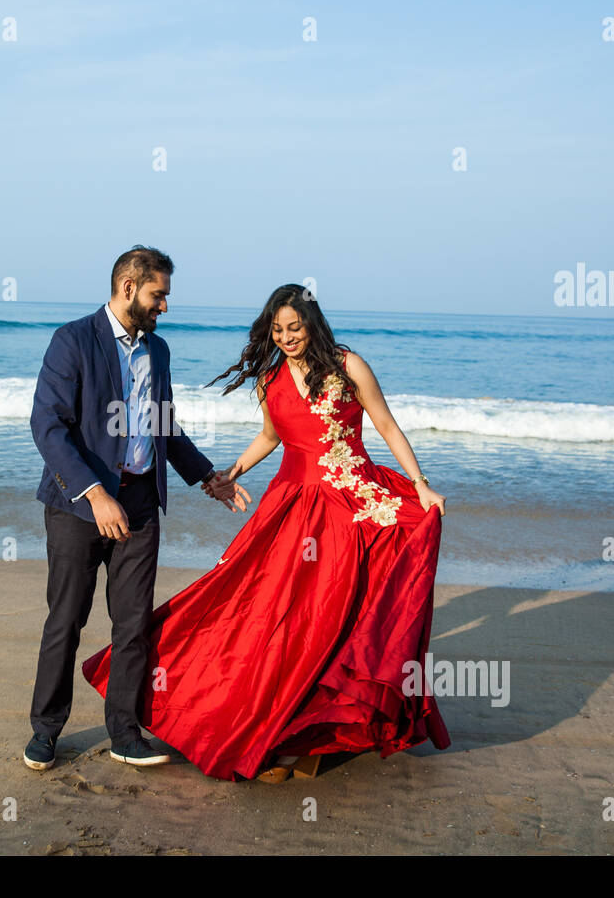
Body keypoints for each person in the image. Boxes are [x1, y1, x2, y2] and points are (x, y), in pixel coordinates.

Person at [81, 283, 450, 781]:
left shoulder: (350, 365)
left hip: (352, 504)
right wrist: (230, 473)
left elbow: (385, 424)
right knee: (266, 608)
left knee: (335, 612)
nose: (286, 337)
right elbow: (272, 437)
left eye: (294, 328)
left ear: (312, 323)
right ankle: (272, 725)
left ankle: (323, 726)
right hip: (291, 505)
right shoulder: (269, 375)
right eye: (277, 330)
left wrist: (420, 485)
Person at [25, 245, 248, 772]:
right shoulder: (72, 340)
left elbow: (165, 424)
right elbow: (48, 427)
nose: (164, 306)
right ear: (129, 287)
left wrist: (205, 477)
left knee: (132, 625)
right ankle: (46, 731)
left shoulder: (159, 351)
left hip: (142, 503)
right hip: (79, 508)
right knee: (66, 619)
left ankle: (124, 733)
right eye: (158, 294)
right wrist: (95, 494)